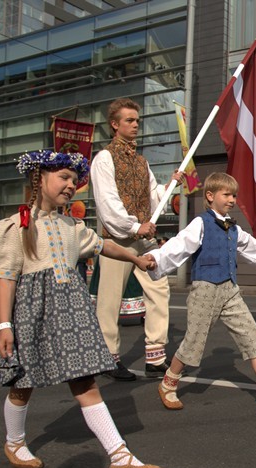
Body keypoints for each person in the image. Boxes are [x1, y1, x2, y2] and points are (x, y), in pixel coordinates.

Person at [0, 150, 161, 468]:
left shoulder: (72, 226)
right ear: (39, 179)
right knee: (24, 383)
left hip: (70, 310)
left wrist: (135, 259)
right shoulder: (15, 226)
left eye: (73, 181)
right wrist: (6, 326)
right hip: (30, 312)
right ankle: (14, 441)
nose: (70, 186)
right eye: (63, 178)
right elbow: (6, 279)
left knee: (85, 380)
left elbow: (103, 246)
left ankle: (119, 454)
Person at [146, 173, 256, 417]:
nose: (232, 199)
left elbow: (253, 247)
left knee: (252, 336)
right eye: (226, 194)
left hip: (230, 289)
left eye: (234, 195)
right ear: (210, 196)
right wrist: (156, 259)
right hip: (205, 288)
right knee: (194, 341)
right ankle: (168, 383)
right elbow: (180, 244)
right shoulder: (200, 223)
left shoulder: (233, 228)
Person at [91, 97, 183, 381]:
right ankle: (108, 358)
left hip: (143, 239)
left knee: (159, 290)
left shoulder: (142, 162)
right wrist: (133, 227)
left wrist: (169, 187)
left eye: (137, 120)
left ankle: (155, 356)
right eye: (129, 120)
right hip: (118, 239)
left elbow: (153, 198)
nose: (135, 125)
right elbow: (107, 203)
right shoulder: (104, 158)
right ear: (115, 125)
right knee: (110, 300)